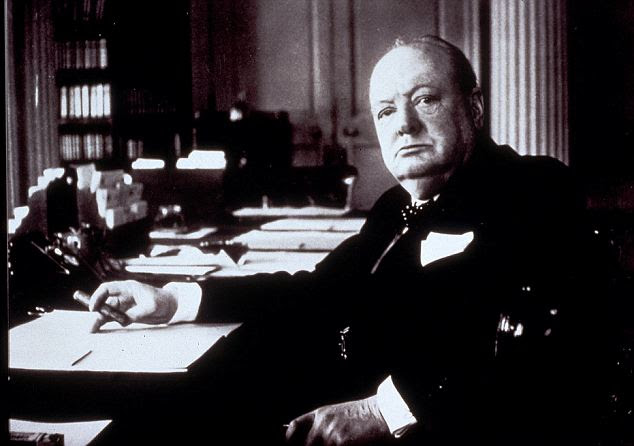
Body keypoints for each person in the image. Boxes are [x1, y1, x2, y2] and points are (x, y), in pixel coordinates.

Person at [88, 36, 613, 445]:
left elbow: (531, 340)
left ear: (474, 107)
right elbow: (315, 289)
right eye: (386, 111)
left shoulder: (536, 186)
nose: (404, 125)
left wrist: (384, 411)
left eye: (425, 100)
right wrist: (174, 299)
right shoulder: (392, 208)